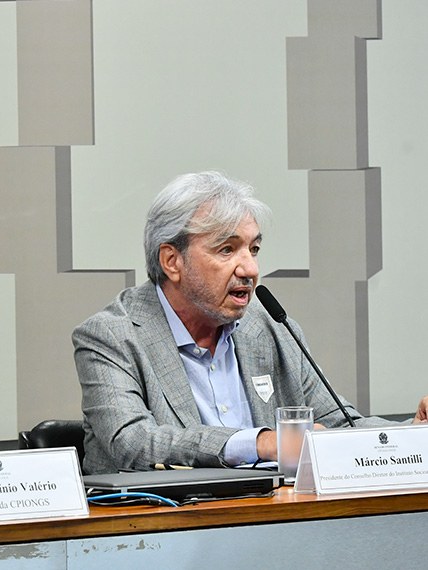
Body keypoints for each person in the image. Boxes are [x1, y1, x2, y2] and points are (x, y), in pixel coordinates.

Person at [73, 171, 428, 474]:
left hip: (270, 528)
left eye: (253, 250)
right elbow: (132, 444)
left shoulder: (270, 327)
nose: (250, 269)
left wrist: (410, 436)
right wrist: (262, 443)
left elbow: (338, 424)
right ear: (172, 261)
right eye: (227, 250)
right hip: (156, 538)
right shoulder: (112, 336)